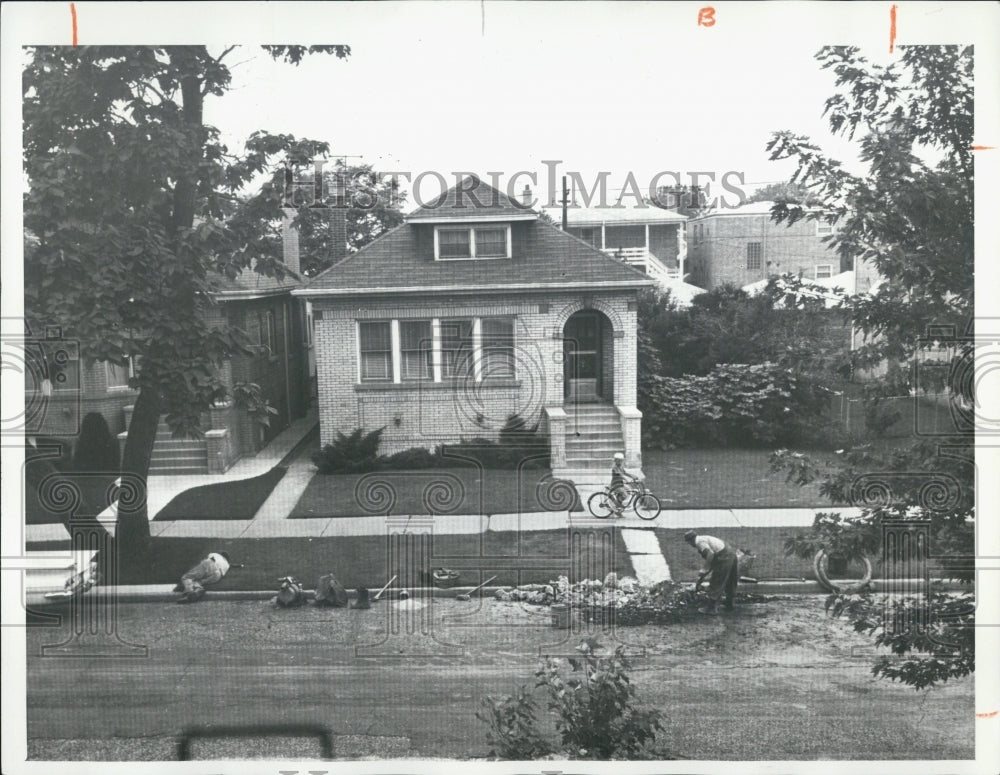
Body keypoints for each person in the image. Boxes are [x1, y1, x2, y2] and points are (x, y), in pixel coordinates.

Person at [683, 530, 738, 613]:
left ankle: (711, 609)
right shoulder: (704, 538)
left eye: (689, 543)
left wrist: (705, 569)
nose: (690, 545)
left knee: (716, 581)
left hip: (724, 557)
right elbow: (714, 561)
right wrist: (704, 574)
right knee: (730, 581)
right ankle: (729, 604)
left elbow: (710, 554)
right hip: (731, 555)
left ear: (690, 540)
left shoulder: (699, 542)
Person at [609, 452, 640, 518]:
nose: (620, 462)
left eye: (621, 460)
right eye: (618, 460)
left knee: (628, 492)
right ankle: (616, 506)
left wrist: (633, 476)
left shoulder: (620, 466)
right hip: (615, 485)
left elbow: (625, 473)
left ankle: (618, 508)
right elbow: (620, 475)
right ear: (615, 460)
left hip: (620, 484)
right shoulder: (615, 467)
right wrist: (626, 480)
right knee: (625, 495)